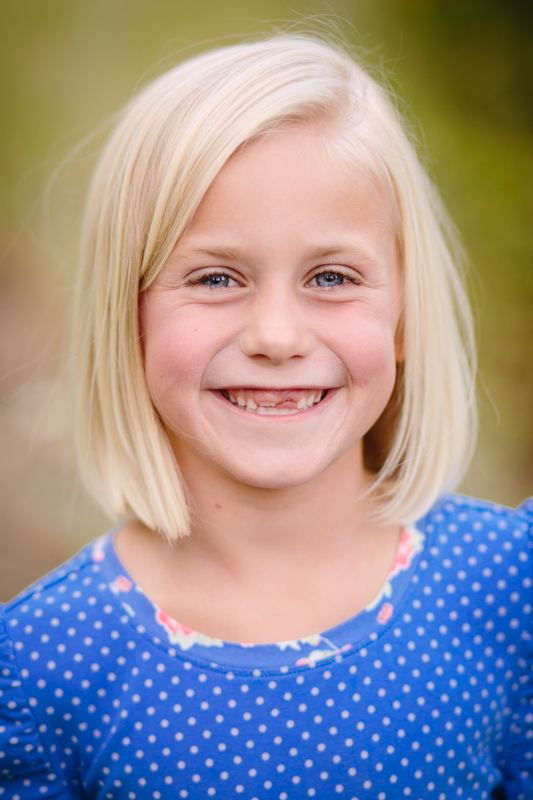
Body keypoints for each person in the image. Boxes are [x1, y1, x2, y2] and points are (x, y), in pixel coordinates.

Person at [0, 33, 531, 800]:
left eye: (330, 276)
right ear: (129, 317)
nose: (276, 337)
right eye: (215, 277)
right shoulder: (40, 665)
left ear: (405, 318)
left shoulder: (506, 585)